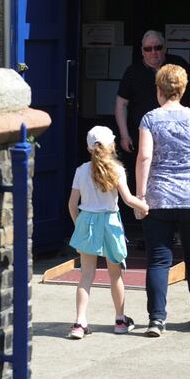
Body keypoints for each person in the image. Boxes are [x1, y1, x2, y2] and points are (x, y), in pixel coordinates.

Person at [135, 64, 190, 337]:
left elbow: (145, 157)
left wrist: (140, 196)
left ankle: (156, 320)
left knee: (159, 260)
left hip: (159, 198)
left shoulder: (150, 119)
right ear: (183, 90)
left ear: (159, 89)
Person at [67, 126, 149, 339]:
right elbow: (128, 199)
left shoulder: (81, 170)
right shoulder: (117, 169)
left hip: (87, 220)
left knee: (86, 275)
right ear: (112, 146)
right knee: (115, 276)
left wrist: (79, 225)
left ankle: (79, 322)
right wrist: (144, 207)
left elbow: (72, 204)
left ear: (88, 147)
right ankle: (120, 320)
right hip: (111, 222)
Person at [115, 30, 190, 205]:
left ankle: (174, 211)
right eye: (148, 49)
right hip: (143, 133)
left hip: (177, 133)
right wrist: (124, 135)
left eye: (158, 47)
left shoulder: (177, 64)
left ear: (165, 48)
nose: (153, 52)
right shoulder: (133, 72)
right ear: (142, 51)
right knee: (144, 168)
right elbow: (121, 104)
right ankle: (142, 209)